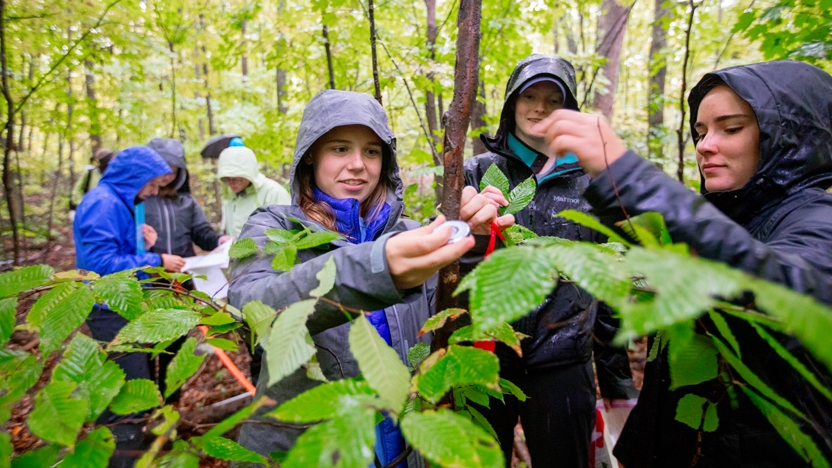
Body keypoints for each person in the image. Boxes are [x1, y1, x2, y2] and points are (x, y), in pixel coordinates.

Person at [533, 60, 832, 467]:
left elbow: (780, 292)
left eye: (731, 128)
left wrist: (631, 177)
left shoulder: (819, 220)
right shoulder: (728, 218)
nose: (705, 145)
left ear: (788, 137)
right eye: (701, 132)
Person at [229, 89, 512, 467]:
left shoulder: (410, 235)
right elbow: (252, 306)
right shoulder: (274, 227)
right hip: (307, 448)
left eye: (372, 151)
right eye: (340, 149)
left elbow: (452, 328)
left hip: (406, 443)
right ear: (311, 154)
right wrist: (377, 267)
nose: (358, 164)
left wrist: (471, 249)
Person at [460, 54, 637, 468]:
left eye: (552, 99)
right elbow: (450, 270)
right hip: (485, 358)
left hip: (564, 362)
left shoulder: (595, 181)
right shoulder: (477, 172)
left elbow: (610, 285)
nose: (538, 108)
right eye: (529, 96)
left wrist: (617, 381)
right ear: (511, 104)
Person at [73, 145, 186, 458]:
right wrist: (156, 257)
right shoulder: (103, 203)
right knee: (126, 394)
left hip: (124, 306)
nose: (151, 193)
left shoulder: (120, 202)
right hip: (108, 310)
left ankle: (134, 447)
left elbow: (118, 251)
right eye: (149, 185)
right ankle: (121, 452)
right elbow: (99, 264)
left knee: (135, 386)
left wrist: (141, 242)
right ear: (132, 178)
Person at [143, 138, 231, 401]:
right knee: (146, 343)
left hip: (183, 281)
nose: (168, 175)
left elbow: (201, 233)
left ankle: (170, 401)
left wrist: (217, 241)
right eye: (163, 168)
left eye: (173, 168)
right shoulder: (140, 200)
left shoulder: (186, 203)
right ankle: (146, 402)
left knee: (176, 342)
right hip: (149, 280)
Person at [217, 143, 291, 238]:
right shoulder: (229, 196)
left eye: (237, 178)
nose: (231, 183)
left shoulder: (272, 192)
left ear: (249, 174)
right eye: (227, 178)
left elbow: (287, 231)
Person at [69, 147, 115, 222]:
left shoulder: (114, 175)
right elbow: (77, 190)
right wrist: (83, 204)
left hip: (107, 213)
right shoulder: (90, 173)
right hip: (90, 213)